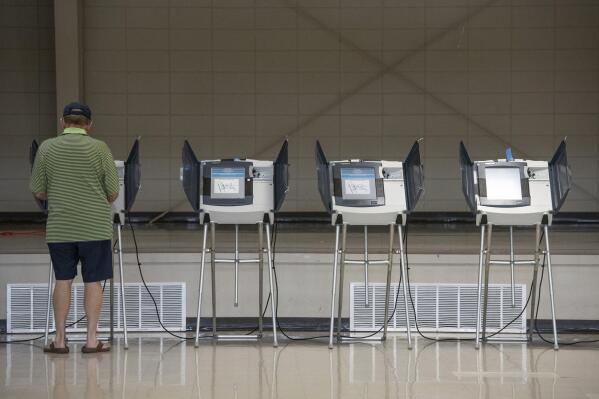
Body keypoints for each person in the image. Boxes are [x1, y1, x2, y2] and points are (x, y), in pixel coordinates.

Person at [30, 102, 119, 354]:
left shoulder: (47, 148)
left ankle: (59, 340)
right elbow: (113, 191)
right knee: (93, 281)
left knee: (63, 280)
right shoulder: (100, 148)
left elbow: (37, 189)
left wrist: (59, 193)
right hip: (95, 227)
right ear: (89, 124)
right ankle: (91, 340)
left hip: (60, 226)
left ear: (62, 122)